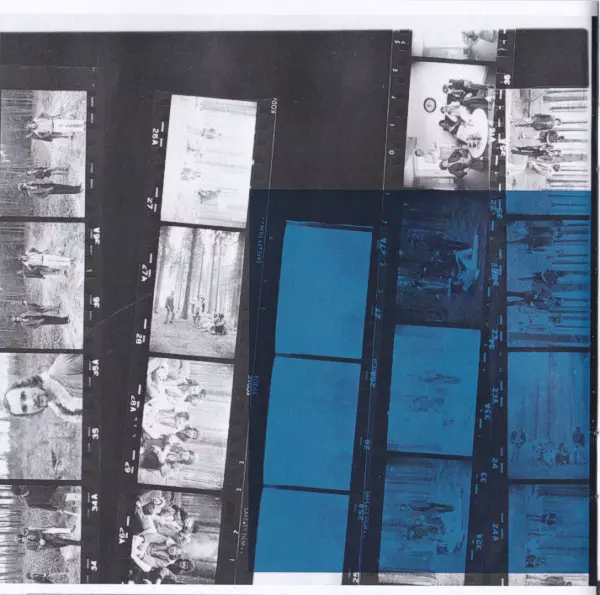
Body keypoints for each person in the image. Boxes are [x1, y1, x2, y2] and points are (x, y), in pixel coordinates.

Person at [2, 353, 83, 423]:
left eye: (24, 396)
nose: (32, 402)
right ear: (29, 414)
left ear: (27, 384)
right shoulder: (63, 412)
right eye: (25, 408)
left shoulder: (65, 368)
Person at [18, 181, 83, 198]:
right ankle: (78, 191)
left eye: (23, 183)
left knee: (64, 186)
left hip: (49, 185)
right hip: (51, 190)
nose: (24, 183)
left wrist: (48, 182)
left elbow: (40, 182)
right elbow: (41, 196)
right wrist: (49, 191)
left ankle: (77, 187)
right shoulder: (30, 193)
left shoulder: (30, 183)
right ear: (23, 188)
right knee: (65, 191)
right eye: (23, 184)